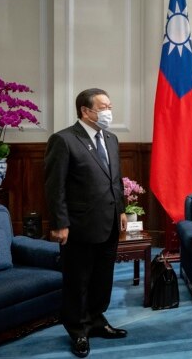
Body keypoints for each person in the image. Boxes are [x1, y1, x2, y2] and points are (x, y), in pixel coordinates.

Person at [45, 88, 127, 358]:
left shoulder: (111, 139)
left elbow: (115, 180)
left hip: (110, 222)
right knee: (77, 280)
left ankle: (96, 319)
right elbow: (54, 187)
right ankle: (78, 329)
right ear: (85, 111)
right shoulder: (64, 140)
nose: (108, 111)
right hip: (79, 225)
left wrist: (122, 211)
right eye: (103, 107)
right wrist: (60, 223)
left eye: (109, 105)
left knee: (103, 278)